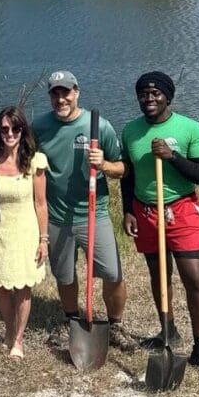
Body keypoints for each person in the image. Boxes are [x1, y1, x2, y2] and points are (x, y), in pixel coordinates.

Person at [120, 71, 199, 380]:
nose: (149, 99)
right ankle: (167, 332)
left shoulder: (189, 128)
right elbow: (127, 177)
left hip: (181, 210)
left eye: (155, 93)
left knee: (194, 280)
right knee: (159, 276)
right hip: (145, 212)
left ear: (167, 96)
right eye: (143, 94)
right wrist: (127, 210)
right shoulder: (130, 131)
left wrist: (172, 157)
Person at [33, 70, 137, 353]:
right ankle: (71, 320)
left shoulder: (98, 126)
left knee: (112, 273)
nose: (61, 98)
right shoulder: (39, 126)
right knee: (64, 275)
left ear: (76, 92)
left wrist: (103, 164)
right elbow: (25, 162)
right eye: (55, 93)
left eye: (66, 92)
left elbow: (123, 168)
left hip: (94, 213)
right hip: (57, 216)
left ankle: (115, 324)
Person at [0, 107, 48, 359]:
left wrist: (44, 239)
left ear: (23, 131)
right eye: (5, 128)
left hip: (25, 232)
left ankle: (18, 339)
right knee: (1, 287)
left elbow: (41, 204)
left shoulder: (35, 162)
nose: (10, 133)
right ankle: (9, 329)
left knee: (23, 288)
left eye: (15, 128)